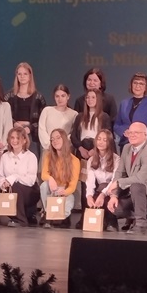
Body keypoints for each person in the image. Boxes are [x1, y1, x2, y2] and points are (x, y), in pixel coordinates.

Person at [106, 121, 147, 235]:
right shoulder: (126, 148)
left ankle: (141, 224)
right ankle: (144, 215)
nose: (132, 135)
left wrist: (118, 183)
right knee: (116, 207)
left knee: (136, 186)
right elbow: (120, 172)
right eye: (130, 132)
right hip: (133, 192)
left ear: (145, 135)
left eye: (136, 133)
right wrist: (114, 195)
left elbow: (140, 178)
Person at [70, 89, 112, 227]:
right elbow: (74, 136)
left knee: (98, 184)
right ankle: (84, 217)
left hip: (98, 151)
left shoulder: (104, 116)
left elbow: (107, 135)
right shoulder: (80, 116)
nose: (90, 100)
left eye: (93, 97)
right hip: (82, 151)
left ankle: (101, 218)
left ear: (98, 99)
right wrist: (80, 149)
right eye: (87, 97)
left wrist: (95, 150)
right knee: (85, 186)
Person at [0, 126, 40, 227]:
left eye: (18, 138)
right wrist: (3, 183)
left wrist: (14, 177)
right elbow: (0, 176)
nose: (14, 140)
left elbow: (31, 180)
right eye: (12, 138)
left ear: (24, 140)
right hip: (8, 190)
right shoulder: (5, 156)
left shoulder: (31, 157)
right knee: (6, 189)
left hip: (30, 191)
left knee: (15, 186)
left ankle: (21, 220)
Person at [4, 62, 46, 161]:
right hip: (13, 134)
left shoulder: (39, 97)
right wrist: (14, 124)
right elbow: (4, 116)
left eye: (25, 74)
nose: (22, 76)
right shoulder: (9, 96)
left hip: (31, 136)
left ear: (30, 76)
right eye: (19, 74)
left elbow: (42, 119)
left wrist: (30, 128)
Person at [39, 128, 80, 228]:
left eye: (58, 138)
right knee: (44, 186)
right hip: (52, 189)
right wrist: (50, 179)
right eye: (52, 139)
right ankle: (48, 213)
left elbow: (72, 185)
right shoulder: (48, 156)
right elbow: (44, 175)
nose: (55, 141)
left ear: (64, 139)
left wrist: (64, 192)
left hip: (65, 191)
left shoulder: (74, 160)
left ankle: (53, 216)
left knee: (65, 209)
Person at [113, 73, 147, 153]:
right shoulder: (124, 103)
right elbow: (117, 125)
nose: (137, 86)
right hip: (126, 144)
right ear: (131, 85)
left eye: (141, 84)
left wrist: (138, 133)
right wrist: (124, 131)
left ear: (146, 87)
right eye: (135, 83)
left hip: (143, 146)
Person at [85, 129, 120, 231]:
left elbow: (114, 180)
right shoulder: (91, 160)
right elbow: (90, 181)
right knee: (94, 193)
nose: (101, 142)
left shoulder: (116, 159)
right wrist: (89, 196)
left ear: (110, 142)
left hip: (115, 188)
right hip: (101, 189)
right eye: (99, 139)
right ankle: (100, 222)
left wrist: (103, 194)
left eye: (105, 140)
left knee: (104, 187)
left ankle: (112, 222)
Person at [38, 84, 78, 153]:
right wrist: (50, 145)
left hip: (65, 151)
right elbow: (42, 130)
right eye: (57, 96)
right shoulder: (47, 110)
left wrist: (61, 145)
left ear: (68, 96)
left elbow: (72, 134)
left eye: (63, 96)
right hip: (48, 150)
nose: (60, 99)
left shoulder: (74, 114)